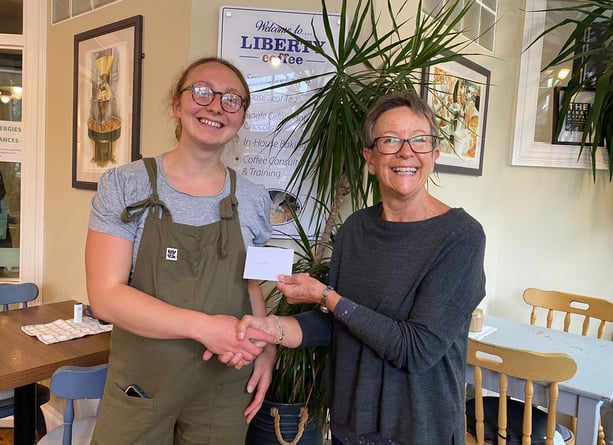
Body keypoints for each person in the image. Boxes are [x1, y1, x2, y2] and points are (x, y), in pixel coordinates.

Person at [238, 91, 486, 445]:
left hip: (417, 431)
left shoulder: (461, 237)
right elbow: (340, 322)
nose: (405, 152)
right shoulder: (355, 229)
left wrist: (326, 296)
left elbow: (414, 350)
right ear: (370, 158)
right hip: (348, 426)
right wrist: (273, 328)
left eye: (419, 140)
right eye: (390, 141)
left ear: (434, 155)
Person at [85, 56, 276, 445]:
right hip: (142, 384)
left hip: (225, 386)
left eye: (231, 100)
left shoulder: (254, 200)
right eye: (202, 92)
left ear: (240, 118)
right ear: (177, 103)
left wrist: (266, 352)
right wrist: (206, 328)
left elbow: (251, 288)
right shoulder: (125, 186)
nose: (215, 106)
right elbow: (105, 298)